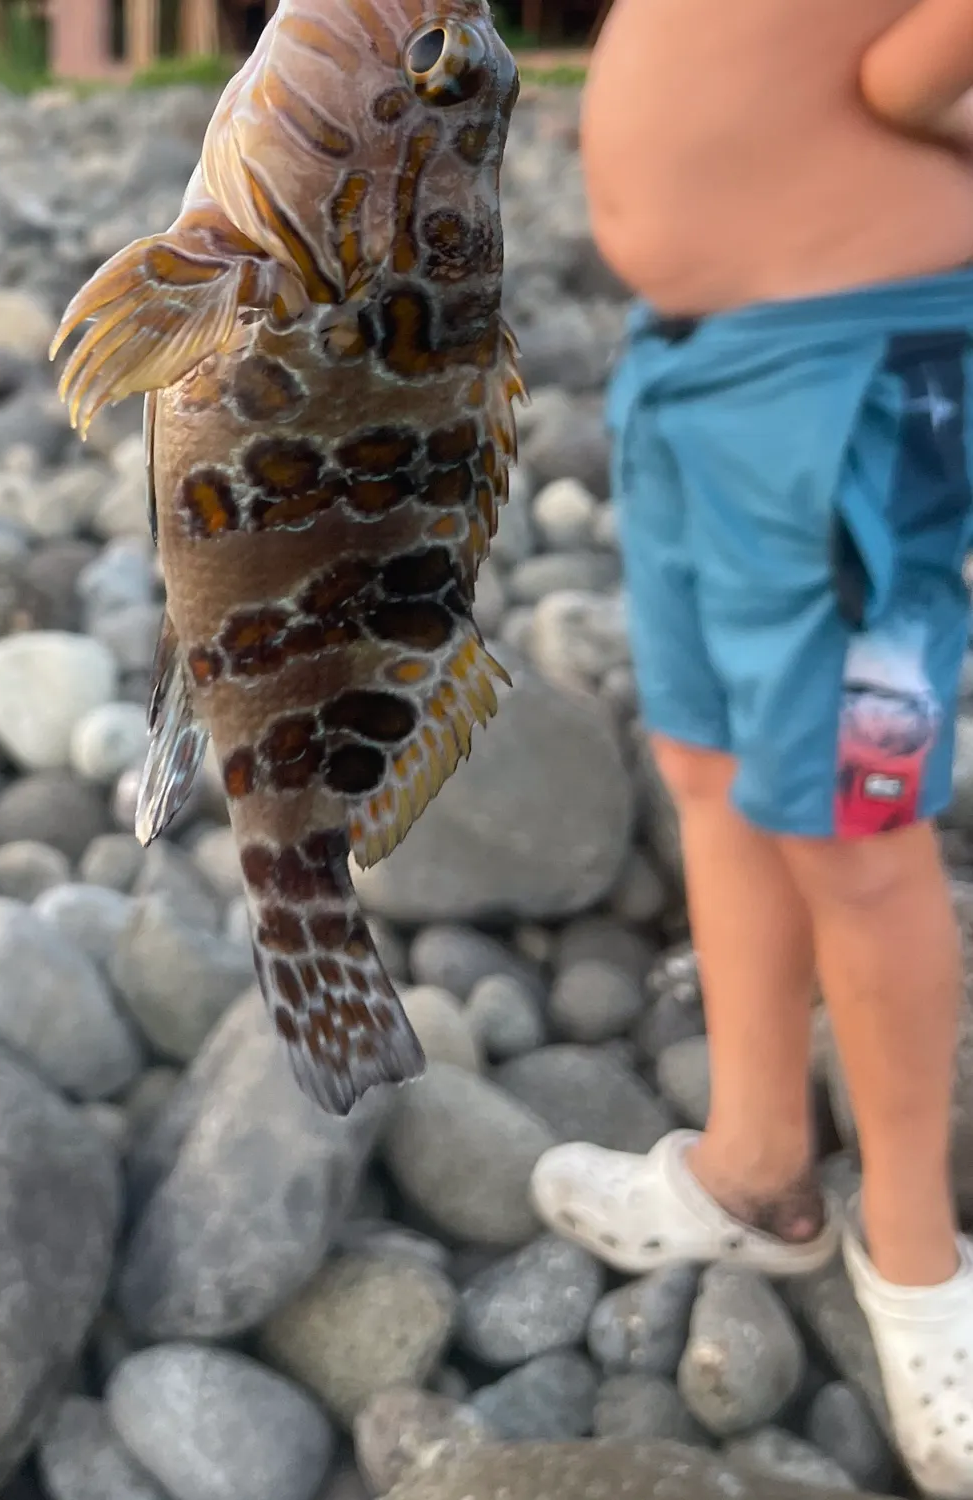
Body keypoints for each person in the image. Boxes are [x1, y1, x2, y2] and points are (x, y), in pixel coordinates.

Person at [530, 0, 973, 1494]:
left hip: (848, 364)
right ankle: (758, 1160)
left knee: (854, 818)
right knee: (713, 776)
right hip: (699, 360)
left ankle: (916, 1258)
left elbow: (906, 69)